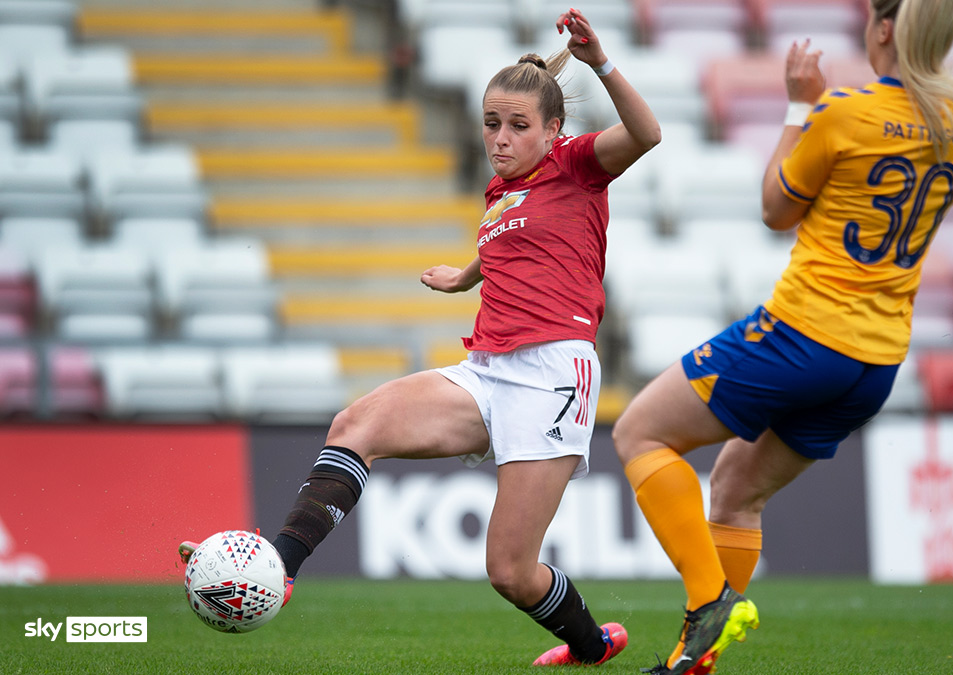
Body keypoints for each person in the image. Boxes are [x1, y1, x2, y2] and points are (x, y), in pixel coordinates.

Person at [180, 8, 660, 667]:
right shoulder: (500, 189)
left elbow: (648, 132)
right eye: (492, 124)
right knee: (356, 424)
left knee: (510, 571)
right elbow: (510, 249)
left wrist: (600, 61)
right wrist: (465, 278)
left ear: (554, 129)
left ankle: (591, 644)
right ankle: (277, 571)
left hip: (553, 374)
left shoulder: (578, 166)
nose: (501, 138)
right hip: (488, 367)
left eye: (519, 126)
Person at [611, 0, 953, 672]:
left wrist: (798, 108)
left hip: (804, 333)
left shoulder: (845, 111)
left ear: (886, 29)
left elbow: (775, 208)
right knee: (735, 489)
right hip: (876, 361)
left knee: (639, 432)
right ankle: (696, 663)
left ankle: (710, 600)